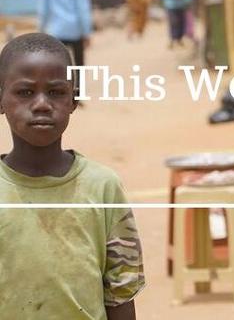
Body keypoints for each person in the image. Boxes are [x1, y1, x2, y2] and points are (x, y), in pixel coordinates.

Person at [0, 33, 145, 319]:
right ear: (1, 99)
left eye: (56, 92)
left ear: (74, 100)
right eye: (25, 92)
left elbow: (120, 292)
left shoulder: (102, 187)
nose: (42, 104)